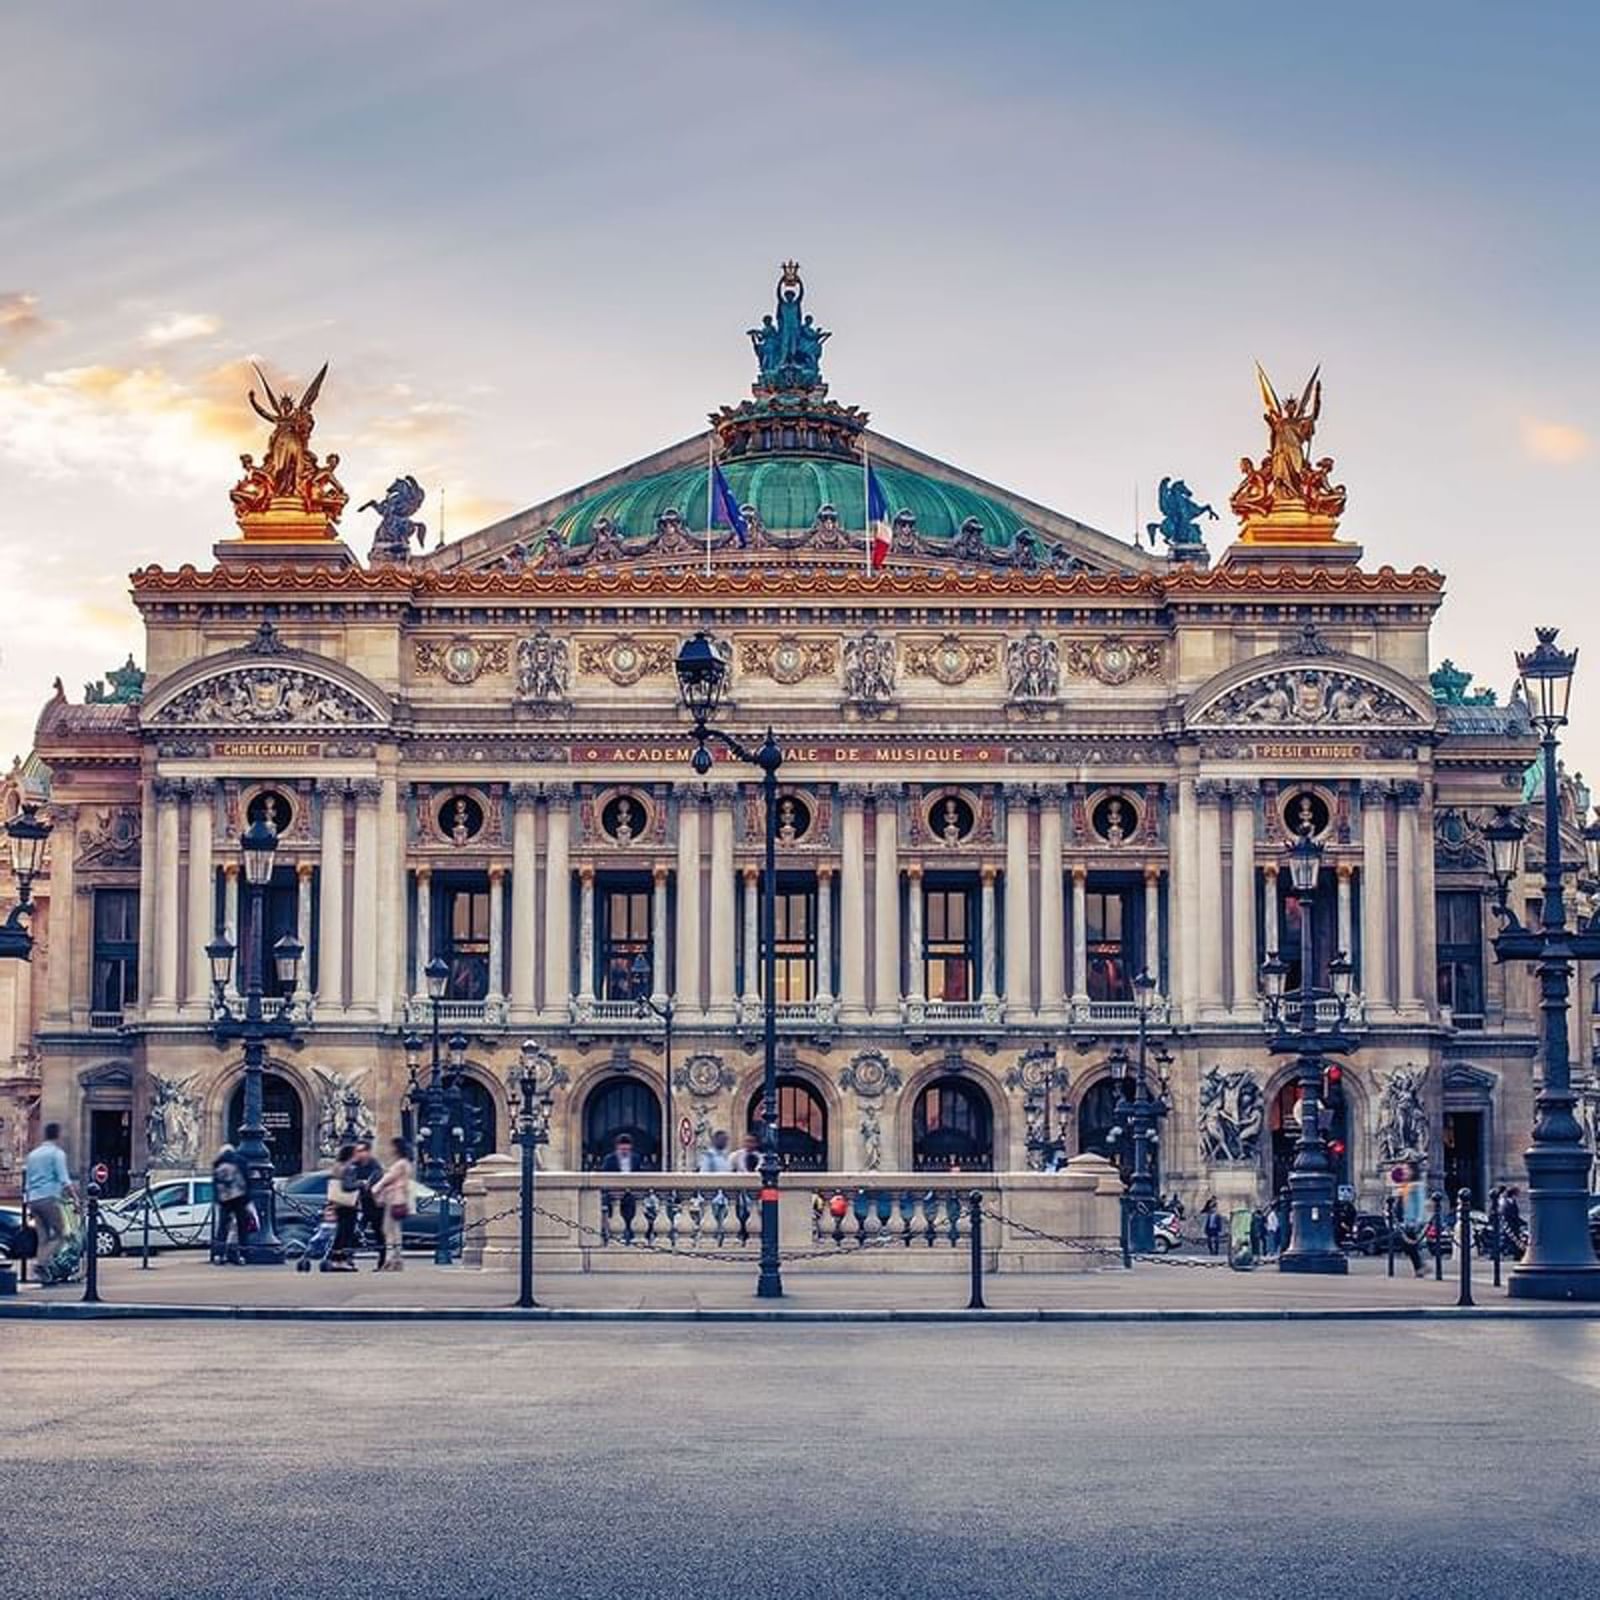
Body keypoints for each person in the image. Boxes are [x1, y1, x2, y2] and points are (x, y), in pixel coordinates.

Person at [23, 1123, 78, 1280]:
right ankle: (41, 1264)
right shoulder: (57, 1154)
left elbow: (27, 1181)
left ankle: (42, 1273)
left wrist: (27, 1201)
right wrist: (75, 1199)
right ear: (58, 1135)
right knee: (62, 1235)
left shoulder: (33, 1155)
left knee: (43, 1238)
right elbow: (64, 1179)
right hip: (49, 1198)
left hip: (33, 1199)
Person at [371, 1137, 415, 1272]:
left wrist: (375, 1188)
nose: (389, 1150)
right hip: (400, 1198)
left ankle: (390, 1259)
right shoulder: (406, 1163)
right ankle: (396, 1259)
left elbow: (387, 1179)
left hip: (394, 1199)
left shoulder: (400, 1164)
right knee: (395, 1230)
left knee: (389, 1230)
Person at [323, 1143, 361, 1272]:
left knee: (340, 1233)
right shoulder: (350, 1168)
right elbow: (347, 1186)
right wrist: (361, 1183)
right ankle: (341, 1261)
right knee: (347, 1233)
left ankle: (335, 1259)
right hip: (348, 1204)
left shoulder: (337, 1167)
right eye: (356, 1152)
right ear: (351, 1154)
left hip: (338, 1203)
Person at [211, 1144, 251, 1265]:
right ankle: (242, 1255)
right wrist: (248, 1199)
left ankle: (218, 1254)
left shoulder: (217, 1163)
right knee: (242, 1227)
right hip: (239, 1197)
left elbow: (215, 1184)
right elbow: (246, 1181)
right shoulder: (240, 1161)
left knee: (222, 1227)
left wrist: (217, 1199)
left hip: (224, 1199)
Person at [346, 1138, 385, 1257]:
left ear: (368, 1152)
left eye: (361, 1150)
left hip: (374, 1204)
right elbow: (349, 1183)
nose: (358, 1153)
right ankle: (349, 1257)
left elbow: (376, 1181)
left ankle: (382, 1259)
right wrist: (360, 1183)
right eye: (357, 1151)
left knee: (379, 1231)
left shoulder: (375, 1166)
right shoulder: (354, 1166)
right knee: (354, 1230)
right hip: (358, 1202)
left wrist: (364, 1184)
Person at [1393, 1161, 1427, 1278]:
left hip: (1412, 1221)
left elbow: (1420, 1204)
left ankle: (1420, 1267)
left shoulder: (1416, 1186)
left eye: (1406, 1169)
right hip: (1405, 1220)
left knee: (1409, 1245)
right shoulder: (1405, 1186)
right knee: (1408, 1246)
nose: (1404, 1172)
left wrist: (1419, 1220)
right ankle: (1420, 1266)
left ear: (1413, 1171)